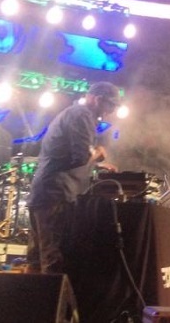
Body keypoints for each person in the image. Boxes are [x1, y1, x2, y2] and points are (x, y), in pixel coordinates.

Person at [26, 81, 121, 274]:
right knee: (54, 260)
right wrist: (99, 154)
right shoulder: (82, 115)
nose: (109, 111)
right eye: (108, 105)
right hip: (57, 195)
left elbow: (68, 155)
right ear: (96, 99)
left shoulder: (72, 114)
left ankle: (29, 303)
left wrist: (97, 164)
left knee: (36, 259)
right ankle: (52, 303)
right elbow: (81, 156)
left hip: (44, 193)